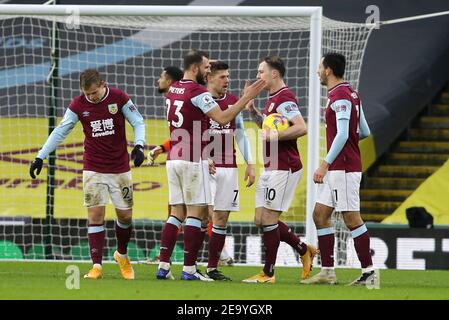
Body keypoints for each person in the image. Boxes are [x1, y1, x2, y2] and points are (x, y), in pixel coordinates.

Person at [156, 49, 265, 281]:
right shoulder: (198, 93)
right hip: (195, 160)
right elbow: (223, 118)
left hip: (175, 158)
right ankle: (189, 270)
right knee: (197, 216)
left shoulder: (173, 89)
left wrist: (250, 162)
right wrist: (246, 98)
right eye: (207, 68)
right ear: (198, 70)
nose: (209, 71)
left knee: (177, 213)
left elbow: (229, 129)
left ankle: (163, 267)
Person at [29, 69, 146, 280]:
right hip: (93, 168)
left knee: (125, 216)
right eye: (87, 94)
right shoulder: (78, 105)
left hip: (119, 168)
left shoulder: (119, 98)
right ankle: (97, 266)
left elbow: (138, 121)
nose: (90, 97)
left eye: (93, 93)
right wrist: (40, 156)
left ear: (102, 84)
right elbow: (61, 130)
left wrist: (139, 146)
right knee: (95, 215)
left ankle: (122, 255)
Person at [300, 53, 375, 286]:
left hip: (342, 168)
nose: (317, 71)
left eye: (320, 67)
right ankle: (328, 272)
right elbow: (364, 131)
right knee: (320, 215)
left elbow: (343, 133)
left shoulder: (341, 95)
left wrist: (325, 163)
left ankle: (369, 273)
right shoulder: (350, 93)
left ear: (329, 70)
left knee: (351, 218)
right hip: (341, 168)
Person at [243, 56, 317, 284]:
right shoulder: (271, 99)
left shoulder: (284, 98)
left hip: (285, 167)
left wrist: (275, 135)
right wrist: (254, 112)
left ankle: (269, 273)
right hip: (271, 166)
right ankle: (304, 249)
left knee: (269, 219)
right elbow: (269, 129)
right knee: (260, 219)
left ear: (274, 74)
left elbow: (301, 127)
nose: (258, 76)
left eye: (261, 72)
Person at [202, 61, 256, 281]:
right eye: (222, 77)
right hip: (204, 166)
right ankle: (187, 266)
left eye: (228, 76)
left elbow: (241, 133)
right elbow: (189, 132)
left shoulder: (234, 101)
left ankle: (212, 268)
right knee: (206, 214)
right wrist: (203, 156)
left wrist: (250, 163)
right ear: (209, 78)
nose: (227, 80)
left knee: (222, 217)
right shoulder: (199, 101)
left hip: (229, 167)